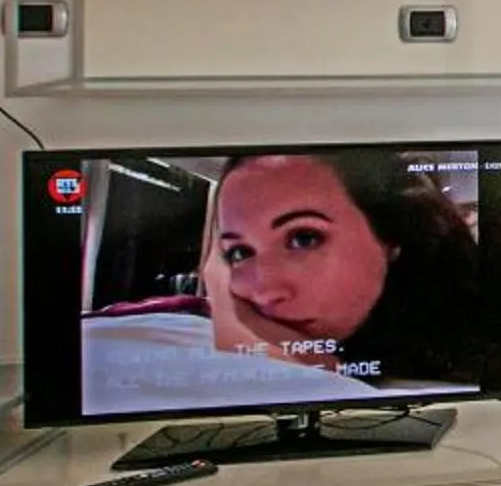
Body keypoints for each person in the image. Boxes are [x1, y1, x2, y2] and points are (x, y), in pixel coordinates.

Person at [201, 150, 483, 389]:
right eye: (240, 252)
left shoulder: (470, 369)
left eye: (303, 238)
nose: (264, 292)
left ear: (392, 235)